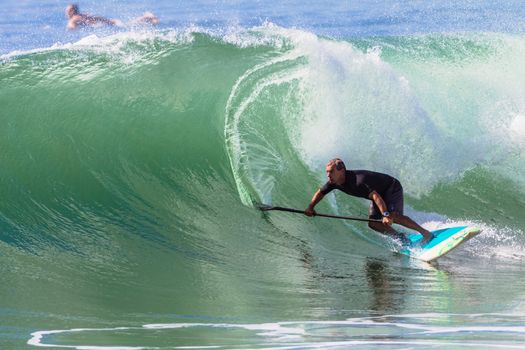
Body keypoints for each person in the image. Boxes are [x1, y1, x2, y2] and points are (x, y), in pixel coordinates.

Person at [305, 158, 432, 244]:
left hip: (391, 187)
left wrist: (386, 215)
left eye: (331, 172)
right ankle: (402, 239)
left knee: (393, 216)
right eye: (327, 172)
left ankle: (426, 233)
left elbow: (376, 197)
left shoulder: (358, 181)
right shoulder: (334, 182)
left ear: (341, 170)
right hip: (378, 193)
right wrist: (311, 207)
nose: (328, 175)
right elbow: (320, 193)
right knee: (373, 223)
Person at [65, 4, 159, 30]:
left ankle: (147, 16)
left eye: (67, 10)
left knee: (129, 25)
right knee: (129, 24)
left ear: (72, 11)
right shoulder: (82, 15)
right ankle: (147, 18)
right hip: (109, 22)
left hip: (106, 25)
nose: (66, 12)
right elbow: (97, 17)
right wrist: (108, 21)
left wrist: (72, 27)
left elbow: (71, 27)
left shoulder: (74, 19)